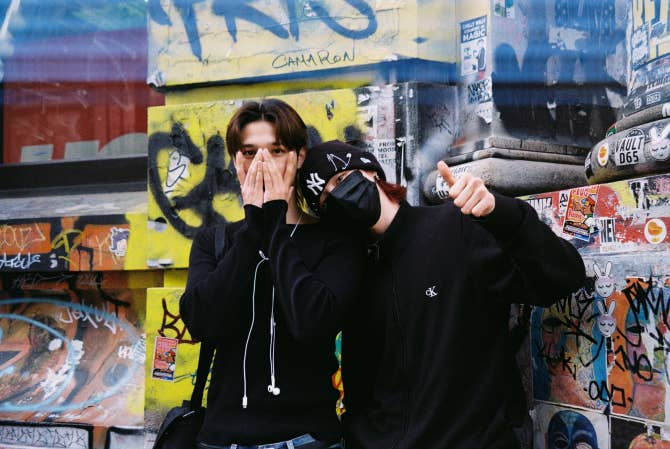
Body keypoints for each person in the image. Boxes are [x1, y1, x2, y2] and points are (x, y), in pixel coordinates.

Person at [297, 140, 587, 449]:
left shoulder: (456, 228)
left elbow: (562, 278)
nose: (338, 195)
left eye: (341, 179)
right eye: (325, 198)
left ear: (371, 172)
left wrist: (500, 212)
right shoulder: (354, 275)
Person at [180, 102, 365, 449]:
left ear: (299, 156)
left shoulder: (334, 241)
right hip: (221, 439)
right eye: (250, 152)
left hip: (307, 439)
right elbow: (202, 323)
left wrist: (277, 225)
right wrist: (253, 227)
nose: (262, 163)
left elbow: (313, 324)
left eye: (276, 151)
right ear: (235, 160)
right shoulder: (214, 242)